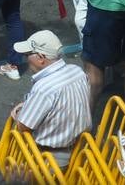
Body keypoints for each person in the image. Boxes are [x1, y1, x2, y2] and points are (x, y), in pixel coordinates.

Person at [8, 30, 89, 166]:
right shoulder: (77, 71)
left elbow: (23, 126)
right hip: (79, 150)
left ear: (40, 57)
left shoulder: (44, 88)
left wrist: (18, 112)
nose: (25, 59)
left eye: (28, 54)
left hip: (49, 159)